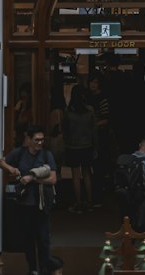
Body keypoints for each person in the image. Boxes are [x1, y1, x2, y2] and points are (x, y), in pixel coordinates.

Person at [0, 125, 58, 275]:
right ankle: (32, 269)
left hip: (41, 203)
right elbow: (1, 162)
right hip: (24, 203)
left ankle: (44, 268)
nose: (39, 143)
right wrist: (11, 169)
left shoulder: (46, 155)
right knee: (28, 239)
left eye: (42, 140)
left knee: (43, 238)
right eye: (36, 140)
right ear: (29, 140)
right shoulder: (20, 153)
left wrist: (33, 178)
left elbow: (52, 179)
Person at [61, 83, 98, 213]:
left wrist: (66, 141)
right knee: (87, 174)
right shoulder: (90, 110)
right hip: (87, 145)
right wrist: (95, 146)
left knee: (75, 175)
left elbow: (64, 129)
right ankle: (89, 201)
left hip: (73, 146)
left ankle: (77, 202)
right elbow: (94, 130)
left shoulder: (68, 112)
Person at [115, 133, 145, 236]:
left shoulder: (125, 160)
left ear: (140, 145)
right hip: (143, 204)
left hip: (125, 202)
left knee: (129, 231)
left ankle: (128, 249)